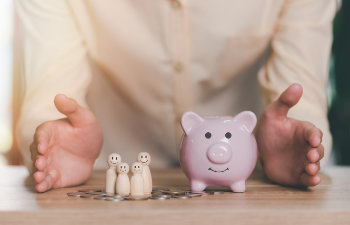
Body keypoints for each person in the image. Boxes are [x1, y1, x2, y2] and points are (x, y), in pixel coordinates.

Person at [14, 0, 335, 192]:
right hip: (104, 181)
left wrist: (300, 143)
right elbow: (48, 94)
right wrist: (49, 142)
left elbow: (302, 95)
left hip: (254, 183)